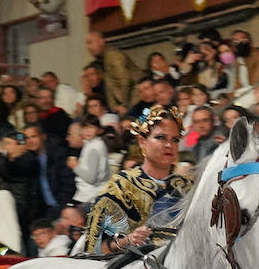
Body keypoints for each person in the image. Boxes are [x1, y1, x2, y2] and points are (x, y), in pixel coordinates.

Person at [82, 106, 193, 254]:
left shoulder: (187, 187)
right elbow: (93, 250)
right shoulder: (121, 187)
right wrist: (127, 240)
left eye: (175, 140)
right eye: (160, 137)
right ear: (142, 141)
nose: (169, 145)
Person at [85, 31, 140, 113]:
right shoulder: (103, 59)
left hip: (134, 103)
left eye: (90, 43)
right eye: (87, 44)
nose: (88, 47)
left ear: (101, 41)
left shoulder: (112, 56)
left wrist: (124, 105)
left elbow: (124, 80)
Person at [72, 115, 111, 206]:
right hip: (91, 195)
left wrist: (75, 166)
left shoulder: (94, 148)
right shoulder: (94, 144)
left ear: (98, 130)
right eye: (85, 127)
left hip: (90, 197)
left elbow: (91, 178)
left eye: (91, 127)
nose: (88, 131)